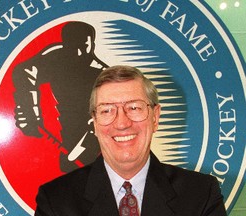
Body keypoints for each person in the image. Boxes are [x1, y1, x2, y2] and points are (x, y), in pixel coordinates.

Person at [35, 65, 227, 216]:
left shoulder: (201, 194)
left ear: (155, 117)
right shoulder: (56, 201)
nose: (122, 123)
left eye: (134, 108)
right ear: (94, 123)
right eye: (107, 110)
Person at [12, 21, 108, 172]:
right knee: (67, 167)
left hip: (91, 126)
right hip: (65, 121)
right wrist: (30, 109)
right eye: (73, 46)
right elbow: (24, 72)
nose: (78, 52)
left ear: (92, 44)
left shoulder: (102, 73)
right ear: (65, 44)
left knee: (75, 164)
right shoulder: (56, 58)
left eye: (84, 46)